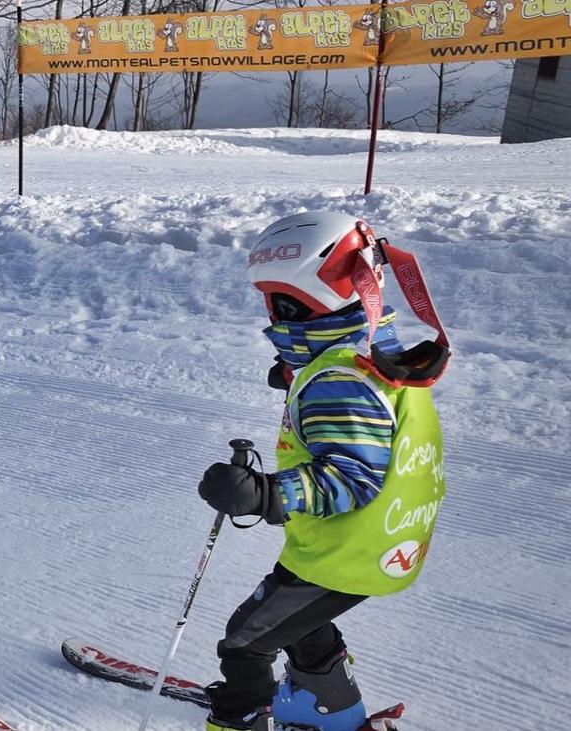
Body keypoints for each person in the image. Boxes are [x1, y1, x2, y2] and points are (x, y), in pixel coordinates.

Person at [198, 212, 449, 731]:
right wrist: (301, 367)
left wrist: (264, 494)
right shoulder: (374, 349)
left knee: (244, 641)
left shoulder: (338, 381)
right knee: (295, 619)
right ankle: (333, 708)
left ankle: (239, 716)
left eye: (279, 300)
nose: (271, 311)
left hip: (343, 554)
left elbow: (350, 477)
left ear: (304, 301)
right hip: (376, 544)